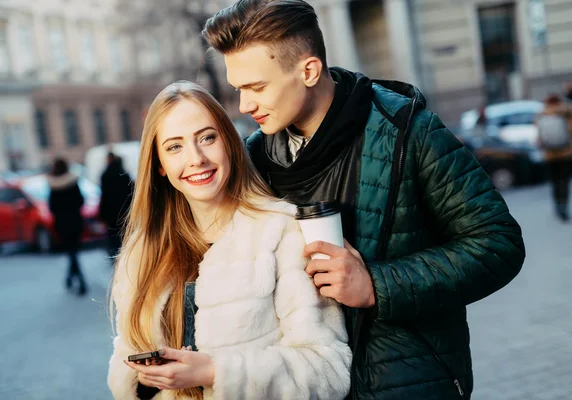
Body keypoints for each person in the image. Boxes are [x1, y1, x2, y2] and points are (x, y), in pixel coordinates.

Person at [202, 1, 526, 398]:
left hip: (407, 385)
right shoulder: (253, 160)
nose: (244, 105)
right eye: (238, 89)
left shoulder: (408, 132)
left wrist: (377, 284)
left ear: (308, 70)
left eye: (257, 87)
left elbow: (498, 244)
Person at [107, 81, 351, 400]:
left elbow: (328, 370)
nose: (196, 158)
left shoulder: (280, 231)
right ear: (159, 165)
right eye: (175, 146)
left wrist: (215, 373)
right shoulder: (142, 252)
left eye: (207, 138)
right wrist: (145, 380)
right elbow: (124, 362)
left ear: (229, 143)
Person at [48, 158, 87, 296]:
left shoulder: (53, 185)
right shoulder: (72, 182)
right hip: (75, 221)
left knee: (71, 252)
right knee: (74, 251)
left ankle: (72, 279)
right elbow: (81, 200)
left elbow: (51, 207)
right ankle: (78, 280)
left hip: (62, 223)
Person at [535, 94, 572, 221]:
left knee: (555, 181)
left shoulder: (541, 114)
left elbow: (539, 138)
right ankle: (563, 208)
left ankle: (557, 206)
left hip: (549, 155)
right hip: (565, 153)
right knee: (564, 181)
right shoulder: (565, 112)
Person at [99, 152, 134, 260]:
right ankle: (127, 254)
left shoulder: (105, 175)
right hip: (124, 210)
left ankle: (115, 255)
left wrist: (102, 212)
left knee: (113, 234)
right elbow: (131, 193)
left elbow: (104, 195)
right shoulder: (124, 174)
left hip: (111, 211)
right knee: (125, 233)